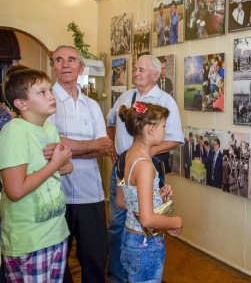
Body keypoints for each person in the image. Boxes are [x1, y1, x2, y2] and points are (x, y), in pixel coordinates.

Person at [106, 55, 183, 283]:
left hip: (139, 166)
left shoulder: (164, 101)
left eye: (141, 69)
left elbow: (176, 139)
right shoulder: (126, 97)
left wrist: (139, 155)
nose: (136, 72)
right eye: (135, 68)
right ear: (150, 130)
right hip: (123, 167)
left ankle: (131, 274)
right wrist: (177, 222)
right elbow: (111, 122)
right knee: (116, 224)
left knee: (134, 220)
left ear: (155, 75)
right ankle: (118, 275)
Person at [46, 45, 113, 283]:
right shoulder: (46, 102)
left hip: (91, 194)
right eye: (59, 60)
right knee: (58, 264)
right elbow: (50, 145)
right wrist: (90, 146)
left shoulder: (92, 106)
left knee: (95, 260)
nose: (65, 64)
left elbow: (105, 146)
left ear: (81, 67)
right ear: (53, 67)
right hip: (56, 195)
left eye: (71, 60)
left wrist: (65, 149)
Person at [0, 68, 73, 282]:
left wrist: (63, 161)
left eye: (50, 90)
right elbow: (15, 190)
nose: (51, 95)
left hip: (56, 232)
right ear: (21, 104)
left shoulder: (49, 129)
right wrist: (56, 164)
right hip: (29, 240)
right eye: (42, 92)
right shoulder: (14, 131)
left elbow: (65, 169)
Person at [116, 102, 183, 282]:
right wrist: (176, 222)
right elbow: (147, 220)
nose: (165, 131)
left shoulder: (128, 156)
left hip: (130, 239)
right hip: (145, 246)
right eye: (163, 126)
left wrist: (155, 197)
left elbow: (122, 201)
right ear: (151, 129)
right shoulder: (145, 165)